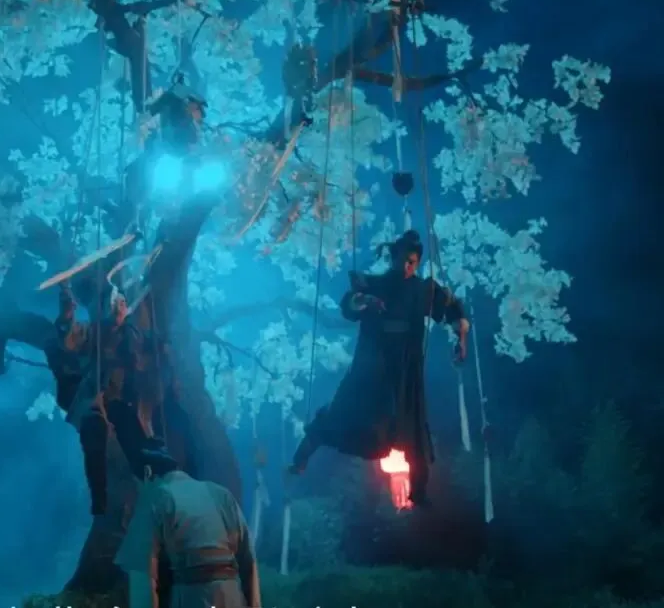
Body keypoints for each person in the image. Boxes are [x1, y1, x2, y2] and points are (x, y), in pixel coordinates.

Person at [287, 229, 470, 507]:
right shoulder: (374, 284)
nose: (406, 266)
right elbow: (349, 306)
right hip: (373, 363)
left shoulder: (423, 289)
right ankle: (303, 455)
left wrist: (461, 338)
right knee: (345, 412)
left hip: (405, 367)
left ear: (418, 263)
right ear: (393, 258)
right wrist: (364, 301)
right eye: (402, 260)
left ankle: (418, 490)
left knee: (410, 425)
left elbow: (452, 309)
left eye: (412, 262)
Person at [115, 441, 261, 608]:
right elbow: (248, 560)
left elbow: (142, 575)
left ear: (147, 473)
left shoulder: (156, 497)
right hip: (234, 596)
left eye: (137, 486)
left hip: (193, 598)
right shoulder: (220, 493)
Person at [56, 281, 158, 516]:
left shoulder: (133, 333)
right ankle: (100, 498)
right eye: (115, 305)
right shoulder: (95, 331)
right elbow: (69, 338)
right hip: (98, 399)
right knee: (93, 435)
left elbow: (145, 352)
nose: (119, 308)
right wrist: (67, 313)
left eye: (121, 304)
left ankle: (151, 486)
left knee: (137, 442)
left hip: (126, 401)